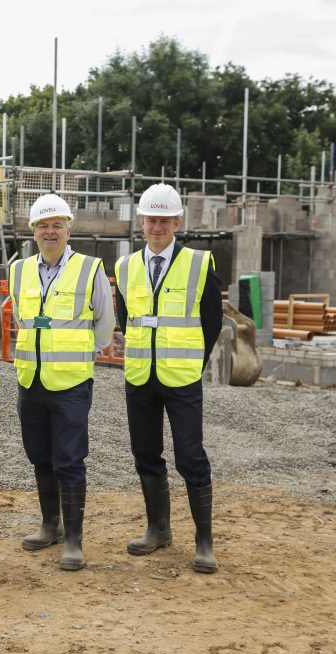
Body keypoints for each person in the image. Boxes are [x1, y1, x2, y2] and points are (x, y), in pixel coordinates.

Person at [114, 183, 223, 574]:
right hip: (141, 375)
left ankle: (204, 542)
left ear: (177, 222)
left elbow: (212, 320)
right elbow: (127, 319)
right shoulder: (125, 266)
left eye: (164, 220)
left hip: (181, 376)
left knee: (190, 456)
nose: (157, 226)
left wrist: (194, 359)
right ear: (141, 221)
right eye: (151, 219)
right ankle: (157, 529)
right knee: (145, 452)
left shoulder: (198, 262)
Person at [9, 194, 115, 571]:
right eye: (42, 225)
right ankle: (49, 525)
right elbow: (23, 318)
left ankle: (73, 539)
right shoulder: (19, 270)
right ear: (34, 231)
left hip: (71, 382)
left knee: (69, 459)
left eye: (56, 225)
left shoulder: (89, 268)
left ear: (69, 229)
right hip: (31, 379)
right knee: (40, 455)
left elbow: (104, 321)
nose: (49, 231)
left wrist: (86, 350)